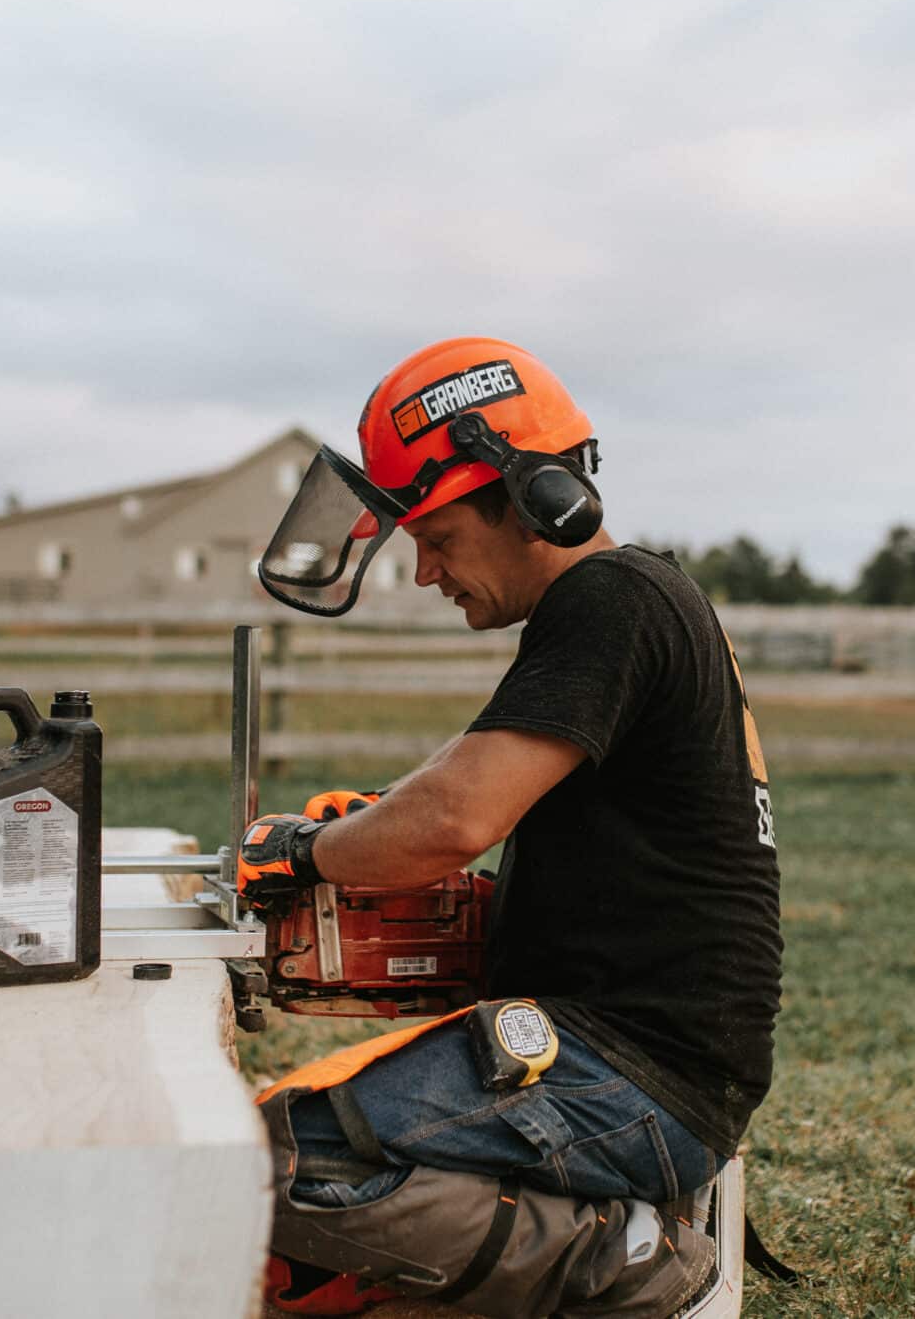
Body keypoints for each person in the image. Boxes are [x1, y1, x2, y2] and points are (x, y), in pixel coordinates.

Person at [240, 337, 783, 1317]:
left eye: (436, 537)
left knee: (268, 1162)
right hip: (635, 1057)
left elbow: (454, 817)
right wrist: (374, 826)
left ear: (537, 497)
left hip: (634, 1074)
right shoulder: (630, 603)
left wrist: (303, 856)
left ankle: (631, 1261)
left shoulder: (609, 599)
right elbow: (464, 778)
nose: (423, 573)